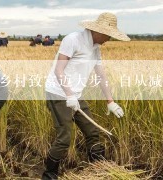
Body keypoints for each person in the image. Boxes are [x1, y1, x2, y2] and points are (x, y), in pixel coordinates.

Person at [43, 12, 130, 180]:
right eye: (109, 35)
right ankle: (49, 175)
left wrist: (110, 102)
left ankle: (98, 169)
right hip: (59, 93)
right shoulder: (73, 40)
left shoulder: (96, 48)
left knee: (92, 132)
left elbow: (101, 76)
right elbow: (58, 70)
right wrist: (69, 96)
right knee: (64, 138)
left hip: (76, 94)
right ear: (99, 31)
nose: (109, 39)